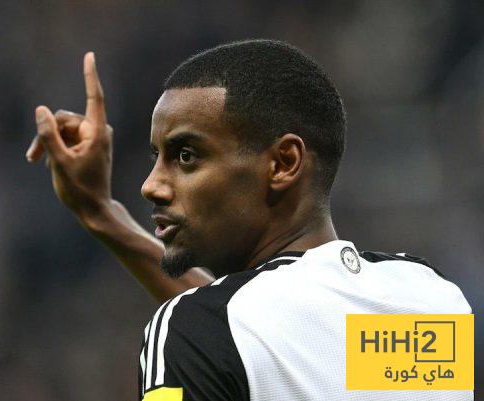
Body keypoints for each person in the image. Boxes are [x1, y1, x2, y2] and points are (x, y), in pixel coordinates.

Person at [25, 40, 472, 401]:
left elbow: (230, 335)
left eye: (186, 155)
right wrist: (101, 213)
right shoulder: (428, 300)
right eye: (157, 157)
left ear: (283, 163)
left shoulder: (190, 330)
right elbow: (263, 341)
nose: (151, 185)